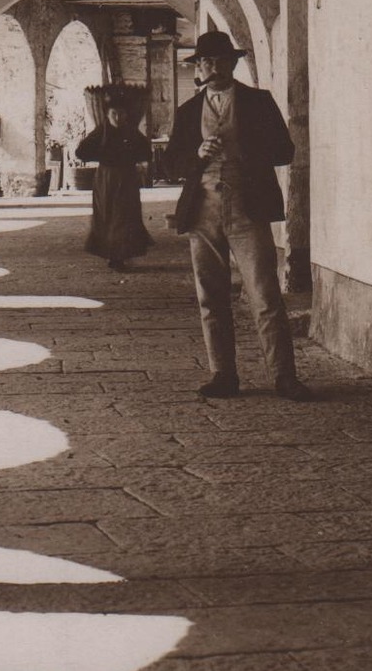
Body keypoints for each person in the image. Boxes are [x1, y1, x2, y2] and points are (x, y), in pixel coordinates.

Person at [162, 30, 313, 401]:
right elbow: (168, 164)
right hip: (204, 211)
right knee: (211, 296)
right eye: (205, 62)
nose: (212, 68)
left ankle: (284, 377)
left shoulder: (259, 103)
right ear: (198, 68)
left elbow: (285, 151)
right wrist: (197, 154)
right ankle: (223, 375)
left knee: (264, 293)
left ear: (232, 64)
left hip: (249, 208)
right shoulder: (186, 112)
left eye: (219, 60)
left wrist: (246, 149)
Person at [75, 98, 152, 271]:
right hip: (106, 179)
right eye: (114, 114)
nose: (117, 117)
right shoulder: (101, 132)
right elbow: (81, 152)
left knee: (126, 215)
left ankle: (122, 254)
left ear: (127, 115)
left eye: (121, 113)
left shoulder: (132, 133)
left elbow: (146, 153)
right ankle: (112, 253)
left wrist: (131, 156)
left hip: (127, 179)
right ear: (107, 115)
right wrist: (102, 155)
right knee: (109, 215)